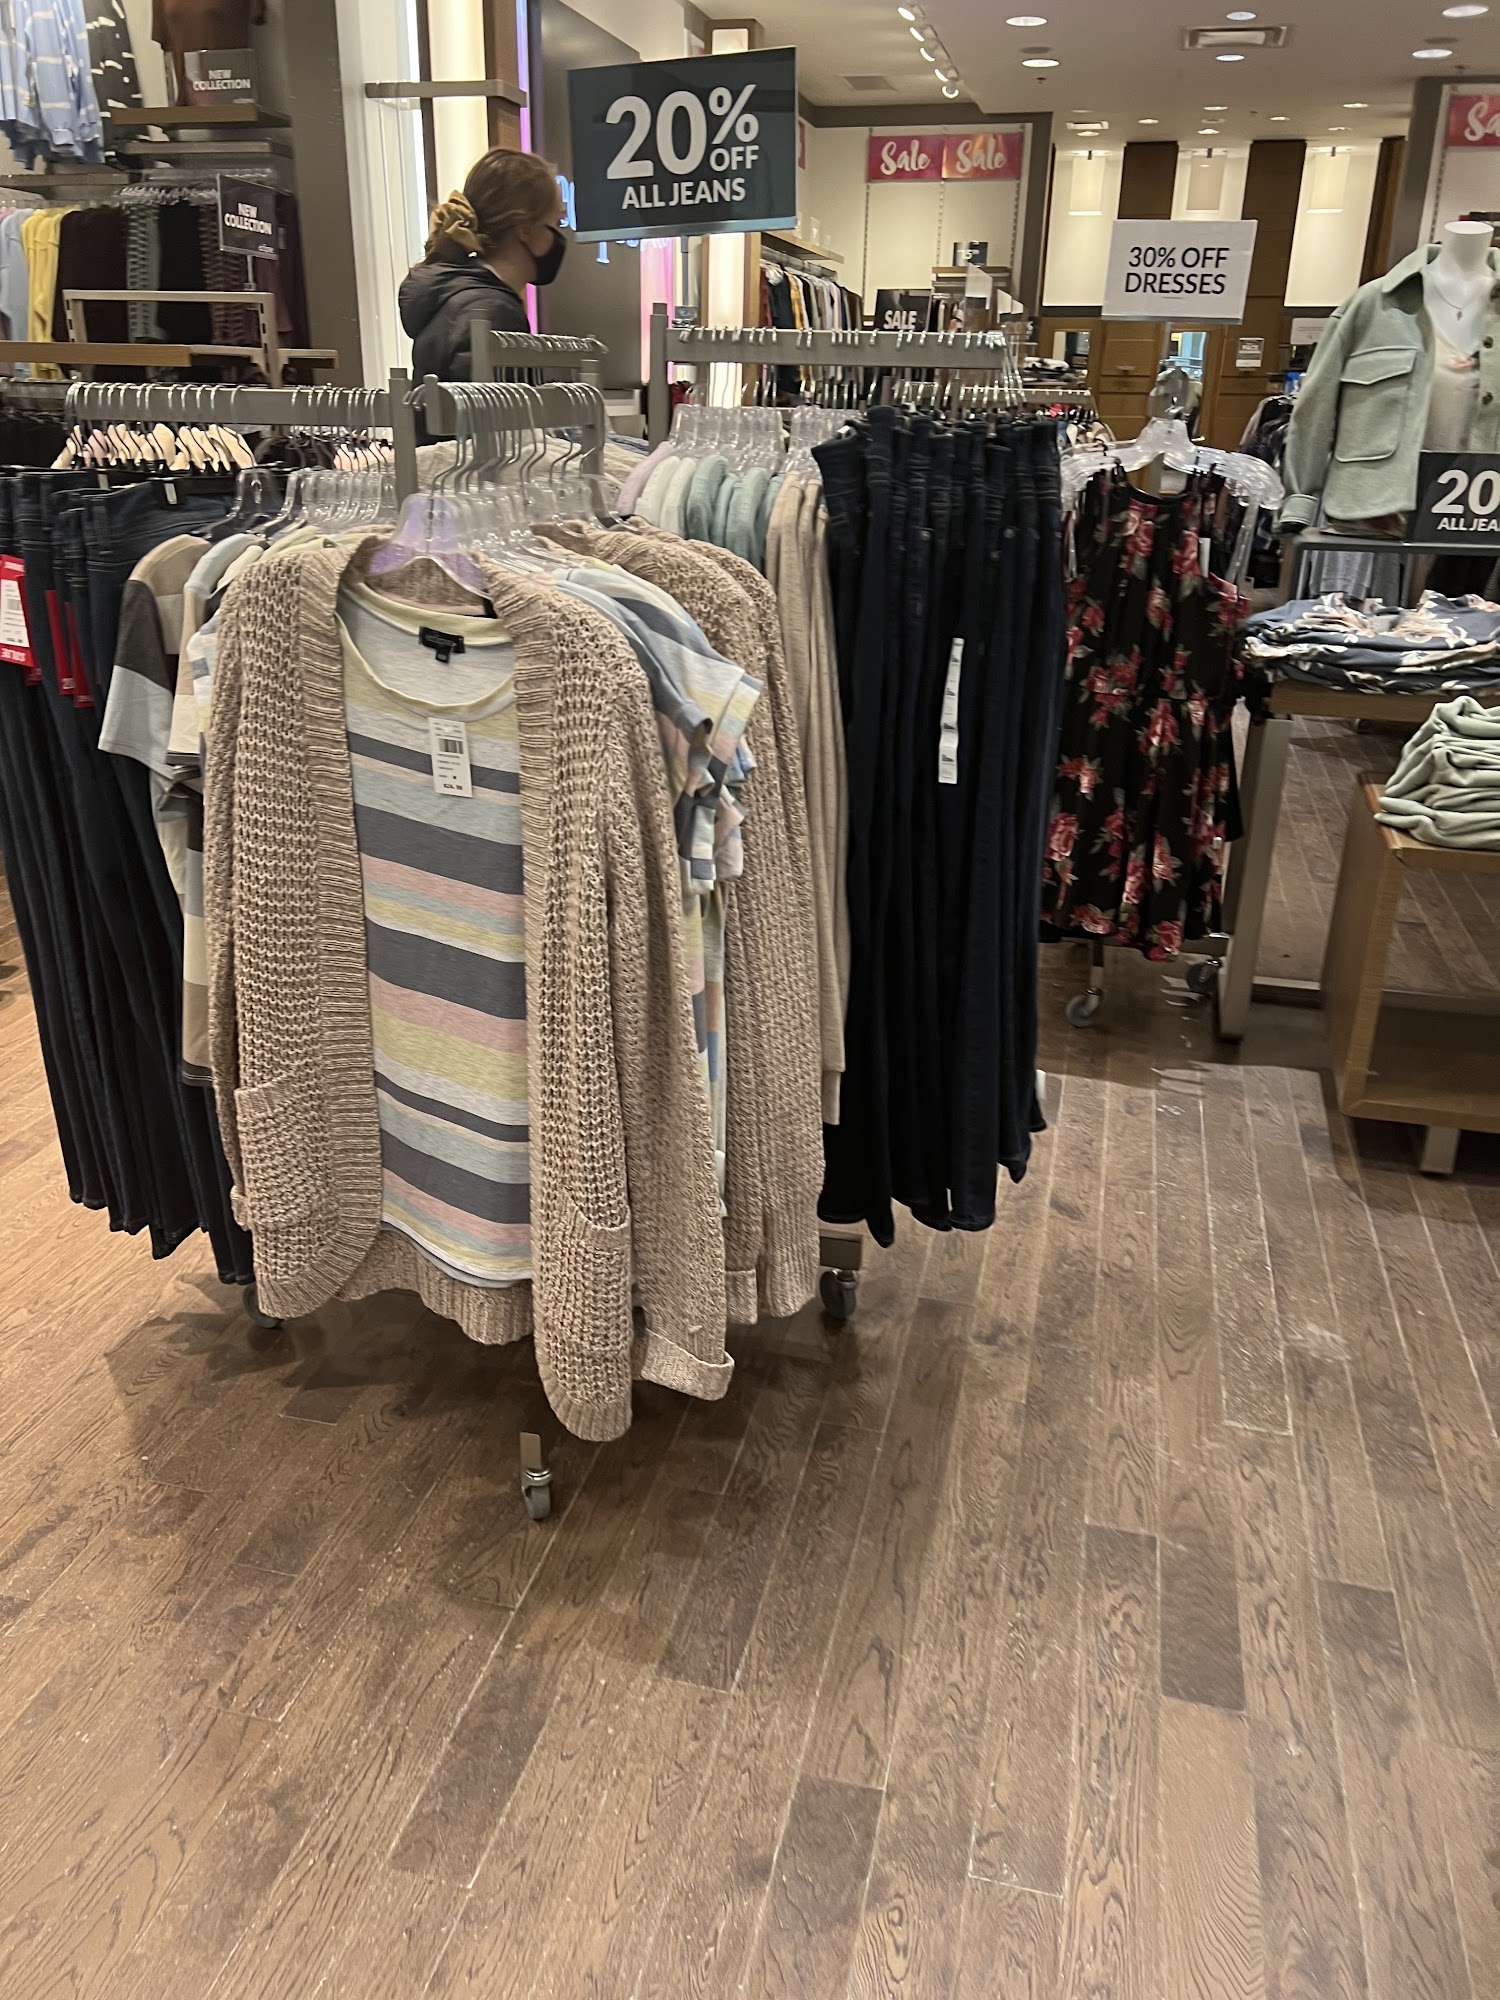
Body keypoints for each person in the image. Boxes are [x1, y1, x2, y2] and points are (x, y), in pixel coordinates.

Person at [399, 148, 568, 381]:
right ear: (525, 230)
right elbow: (498, 404)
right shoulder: (496, 313)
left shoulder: (453, 296)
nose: (559, 236)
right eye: (557, 222)